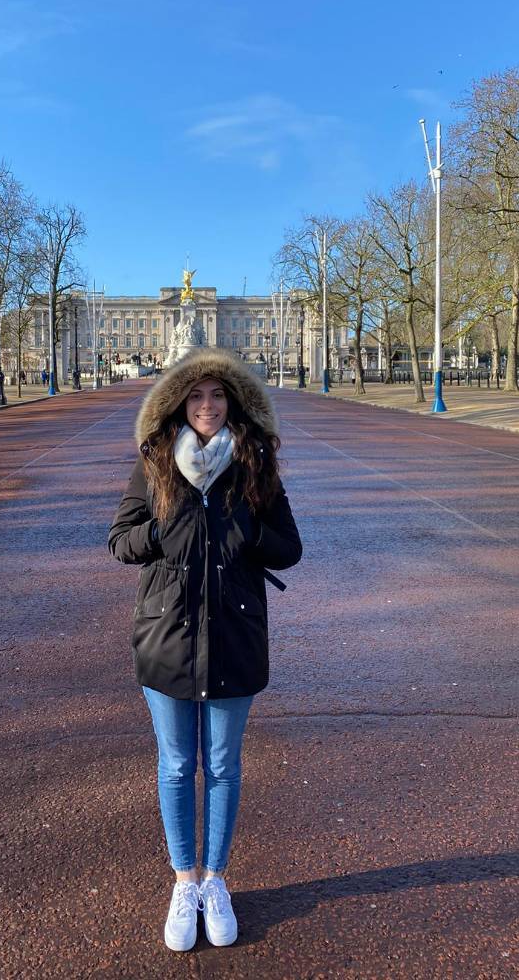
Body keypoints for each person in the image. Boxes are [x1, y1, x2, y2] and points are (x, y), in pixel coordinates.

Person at [108, 349, 302, 953]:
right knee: (174, 765)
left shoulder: (254, 463)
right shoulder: (155, 463)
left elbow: (289, 548)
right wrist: (164, 534)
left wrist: (249, 533)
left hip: (235, 631)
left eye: (218, 396)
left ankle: (215, 880)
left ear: (233, 402)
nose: (208, 407)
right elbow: (119, 542)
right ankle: (183, 880)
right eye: (197, 397)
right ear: (180, 406)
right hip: (168, 632)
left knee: (220, 764)